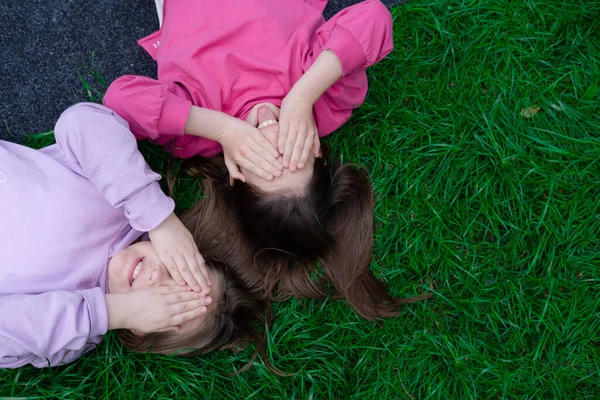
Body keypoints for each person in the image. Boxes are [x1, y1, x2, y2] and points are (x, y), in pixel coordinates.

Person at [104, 0, 429, 318]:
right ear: (316, 150)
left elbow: (120, 100)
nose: (273, 139)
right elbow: (373, 16)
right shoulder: (326, 103)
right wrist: (302, 97)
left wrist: (222, 129)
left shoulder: (199, 134)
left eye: (264, 161)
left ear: (236, 173)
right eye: (292, 152)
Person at [0, 103, 267, 368]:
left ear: (141, 327)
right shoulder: (127, 203)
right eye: (180, 273)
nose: (156, 277)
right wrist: (159, 220)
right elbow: (81, 120)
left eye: (167, 302)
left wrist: (114, 312)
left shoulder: (73, 335)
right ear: (187, 248)